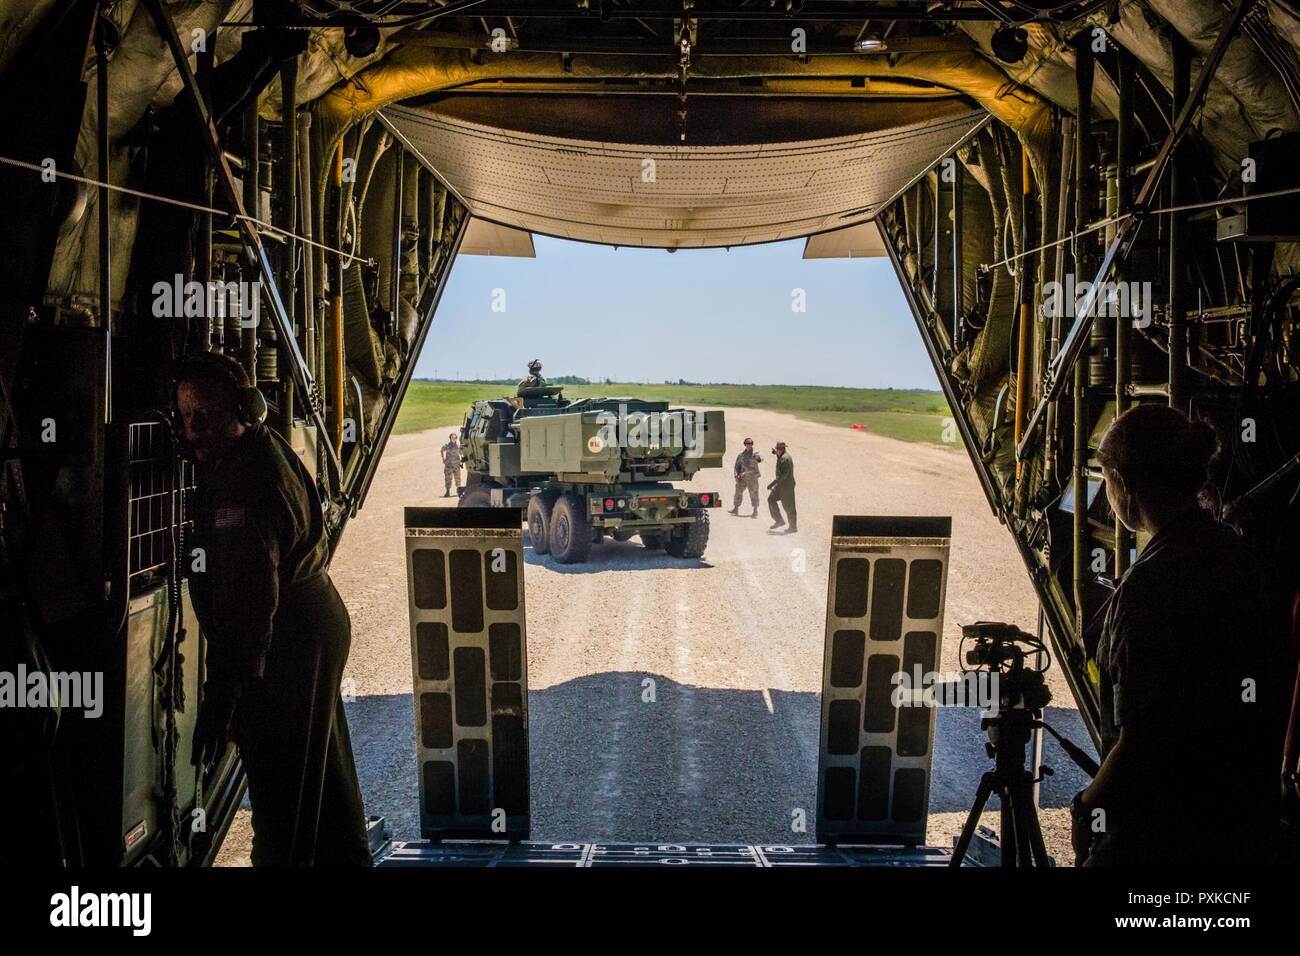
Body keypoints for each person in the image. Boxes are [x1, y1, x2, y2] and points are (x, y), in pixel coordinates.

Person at [174, 352, 370, 867]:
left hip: (289, 642)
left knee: (281, 798)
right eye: (186, 417)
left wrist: (227, 696)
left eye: (205, 416)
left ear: (245, 410)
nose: (193, 431)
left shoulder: (244, 490)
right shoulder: (256, 451)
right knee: (324, 786)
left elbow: (250, 607)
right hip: (311, 626)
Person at [1072, 404, 1287, 867]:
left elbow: (1144, 739)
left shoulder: (1151, 584)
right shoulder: (1236, 555)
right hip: (1244, 822)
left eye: (1106, 479)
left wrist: (1089, 806)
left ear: (1123, 485)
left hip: (1166, 832)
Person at [767, 441, 797, 533]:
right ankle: (779, 520)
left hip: (786, 486)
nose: (778, 450)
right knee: (771, 499)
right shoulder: (782, 456)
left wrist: (773, 483)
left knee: (789, 506)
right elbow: (779, 456)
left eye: (780, 449)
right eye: (777, 449)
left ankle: (793, 527)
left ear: (783, 449)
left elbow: (784, 475)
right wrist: (775, 453)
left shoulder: (784, 459)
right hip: (781, 485)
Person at [729, 438, 762, 517]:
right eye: (747, 443)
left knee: (754, 493)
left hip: (752, 477)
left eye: (750, 443)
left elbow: (760, 459)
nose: (749, 445)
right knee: (738, 492)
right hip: (742, 478)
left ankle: (755, 511)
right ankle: (735, 509)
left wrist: (758, 458)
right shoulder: (741, 455)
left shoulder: (755, 454)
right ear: (745, 444)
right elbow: (737, 466)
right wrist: (736, 474)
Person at [441, 432, 463, 497]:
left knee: (458, 479)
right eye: (452, 438)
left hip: (456, 465)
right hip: (449, 466)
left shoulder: (458, 446)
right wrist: (443, 458)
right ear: (450, 438)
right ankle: (447, 492)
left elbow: (461, 453)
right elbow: (441, 450)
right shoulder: (447, 446)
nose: (454, 439)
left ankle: (459, 491)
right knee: (448, 479)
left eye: (455, 438)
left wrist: (461, 461)